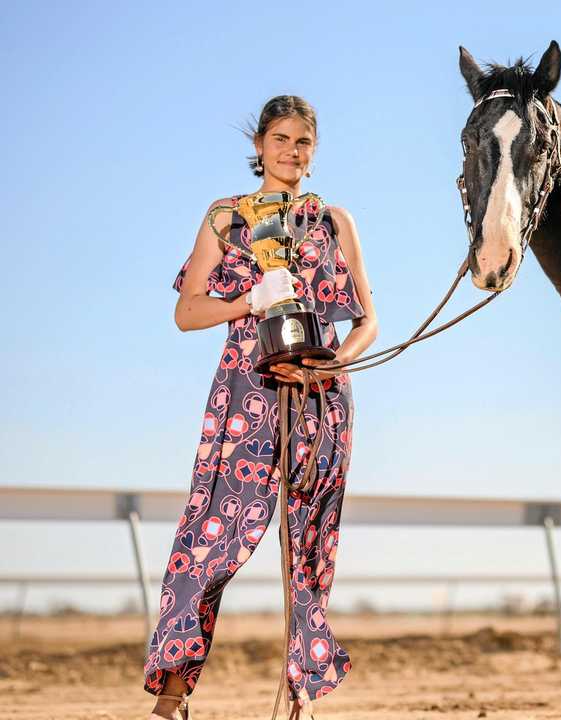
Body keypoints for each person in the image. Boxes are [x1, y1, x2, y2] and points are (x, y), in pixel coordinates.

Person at [145, 95, 377, 720]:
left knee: (309, 547)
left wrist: (337, 360)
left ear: (314, 150)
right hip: (244, 397)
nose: (291, 151)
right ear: (258, 145)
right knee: (211, 538)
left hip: (320, 398)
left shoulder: (334, 221)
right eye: (280, 139)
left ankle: (297, 693)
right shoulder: (225, 219)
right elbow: (186, 313)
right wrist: (247, 301)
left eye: (303, 141)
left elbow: (367, 321)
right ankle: (172, 692)